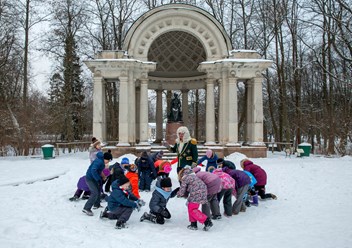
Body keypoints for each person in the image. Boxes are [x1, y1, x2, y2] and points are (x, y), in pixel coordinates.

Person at [82, 151, 112, 216]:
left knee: (98, 190)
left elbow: (99, 171)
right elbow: (93, 170)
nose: (108, 162)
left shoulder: (101, 162)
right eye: (108, 160)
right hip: (90, 178)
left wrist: (103, 176)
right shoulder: (99, 161)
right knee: (94, 192)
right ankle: (86, 208)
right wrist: (98, 179)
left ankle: (97, 204)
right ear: (105, 159)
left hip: (94, 178)